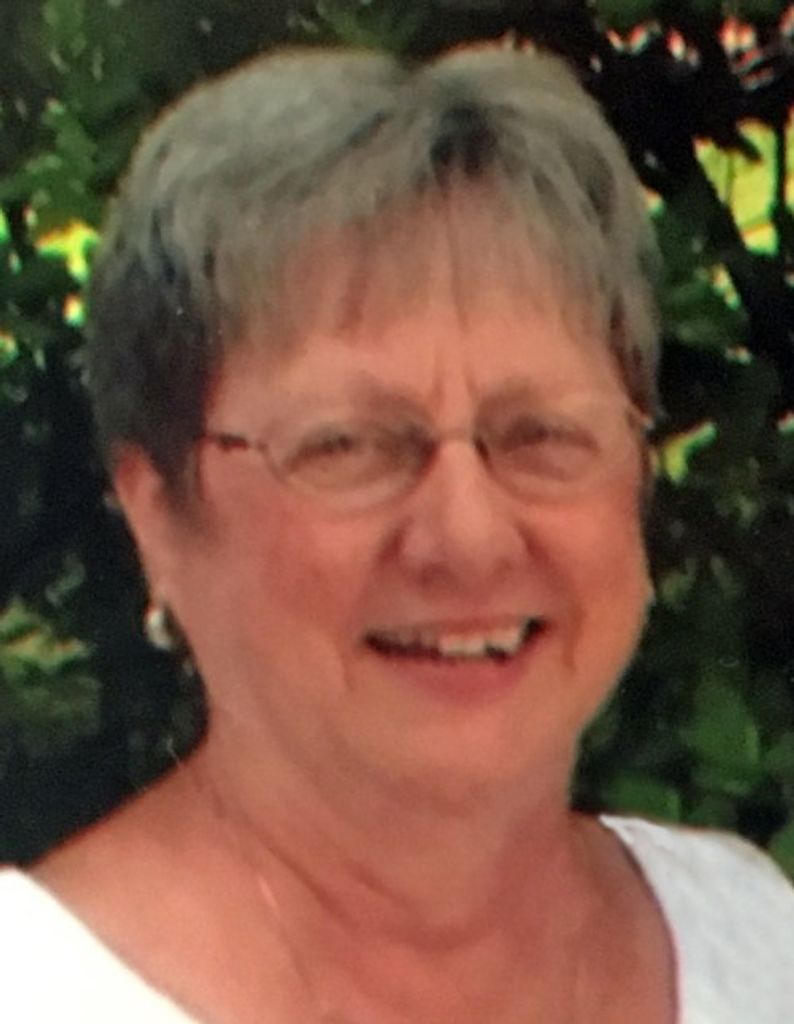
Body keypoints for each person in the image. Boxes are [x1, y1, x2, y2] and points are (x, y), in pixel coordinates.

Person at [2, 43, 793, 1024]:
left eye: (539, 434)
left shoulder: (754, 945)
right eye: (349, 446)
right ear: (157, 512)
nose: (467, 536)